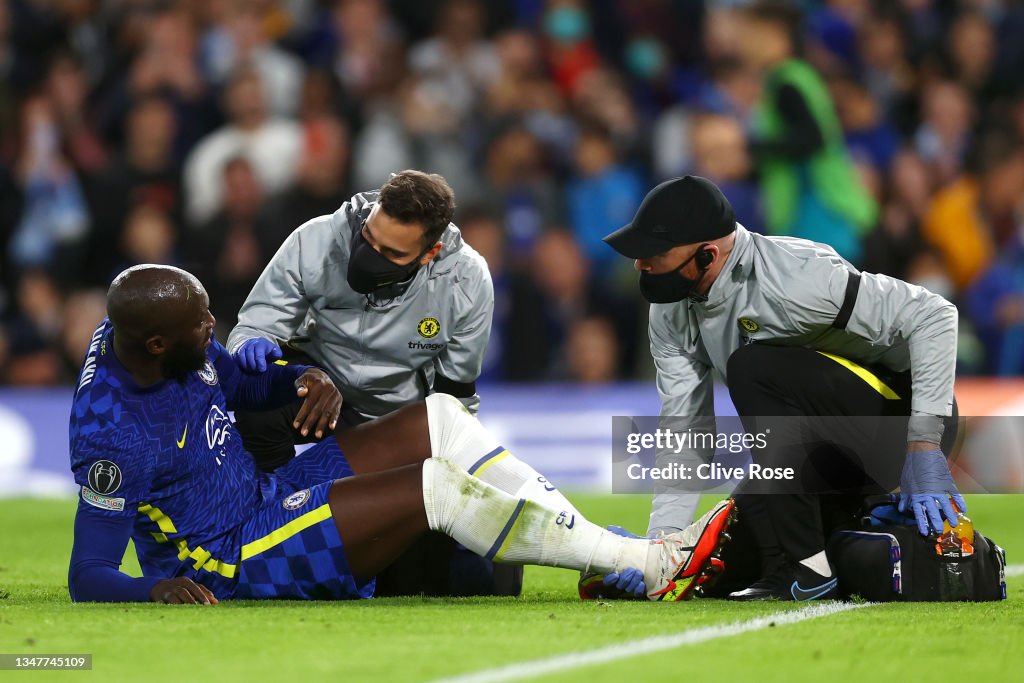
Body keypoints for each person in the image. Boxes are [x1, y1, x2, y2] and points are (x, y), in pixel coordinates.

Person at [67, 265, 734, 604]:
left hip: (266, 494)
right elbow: (87, 573)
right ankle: (645, 564)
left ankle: (604, 554)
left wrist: (300, 378)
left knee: (439, 418)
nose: (215, 325)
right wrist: (149, 587)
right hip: (230, 555)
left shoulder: (148, 340)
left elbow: (235, 386)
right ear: (155, 342)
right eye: (201, 324)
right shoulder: (111, 433)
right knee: (437, 489)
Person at [601, 175, 965, 601]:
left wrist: (923, 445)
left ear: (707, 255)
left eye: (655, 254)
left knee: (753, 367)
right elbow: (686, 436)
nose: (639, 265)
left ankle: (808, 566)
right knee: (714, 568)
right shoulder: (671, 310)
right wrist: (659, 550)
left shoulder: (797, 276)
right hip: (817, 453)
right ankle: (845, 529)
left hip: (895, 421)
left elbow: (935, 315)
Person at [227, 169, 501, 596]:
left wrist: (445, 459)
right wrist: (254, 345)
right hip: (312, 383)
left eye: (390, 253)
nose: (368, 254)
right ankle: (261, 525)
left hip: (392, 416)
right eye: (368, 238)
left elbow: (454, 396)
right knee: (257, 389)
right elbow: (258, 323)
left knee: (439, 581)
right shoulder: (316, 239)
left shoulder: (467, 282)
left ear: (429, 254)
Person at [739, 1, 876, 264]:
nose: (744, 42)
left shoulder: (786, 81)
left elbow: (811, 138)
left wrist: (754, 149)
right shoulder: (796, 76)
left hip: (817, 213)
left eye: (751, 33)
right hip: (820, 214)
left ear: (776, 35)